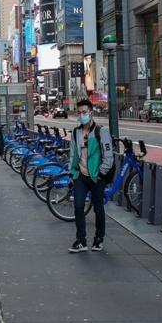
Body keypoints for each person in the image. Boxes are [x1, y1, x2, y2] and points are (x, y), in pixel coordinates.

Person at [68, 99, 114, 253]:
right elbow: (73, 154)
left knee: (98, 208)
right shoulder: (76, 132)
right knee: (78, 206)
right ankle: (81, 240)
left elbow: (109, 156)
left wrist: (101, 173)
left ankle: (99, 238)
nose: (81, 115)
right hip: (80, 175)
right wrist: (72, 173)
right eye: (79, 113)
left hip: (96, 176)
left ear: (91, 113)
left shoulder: (101, 132)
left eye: (84, 112)